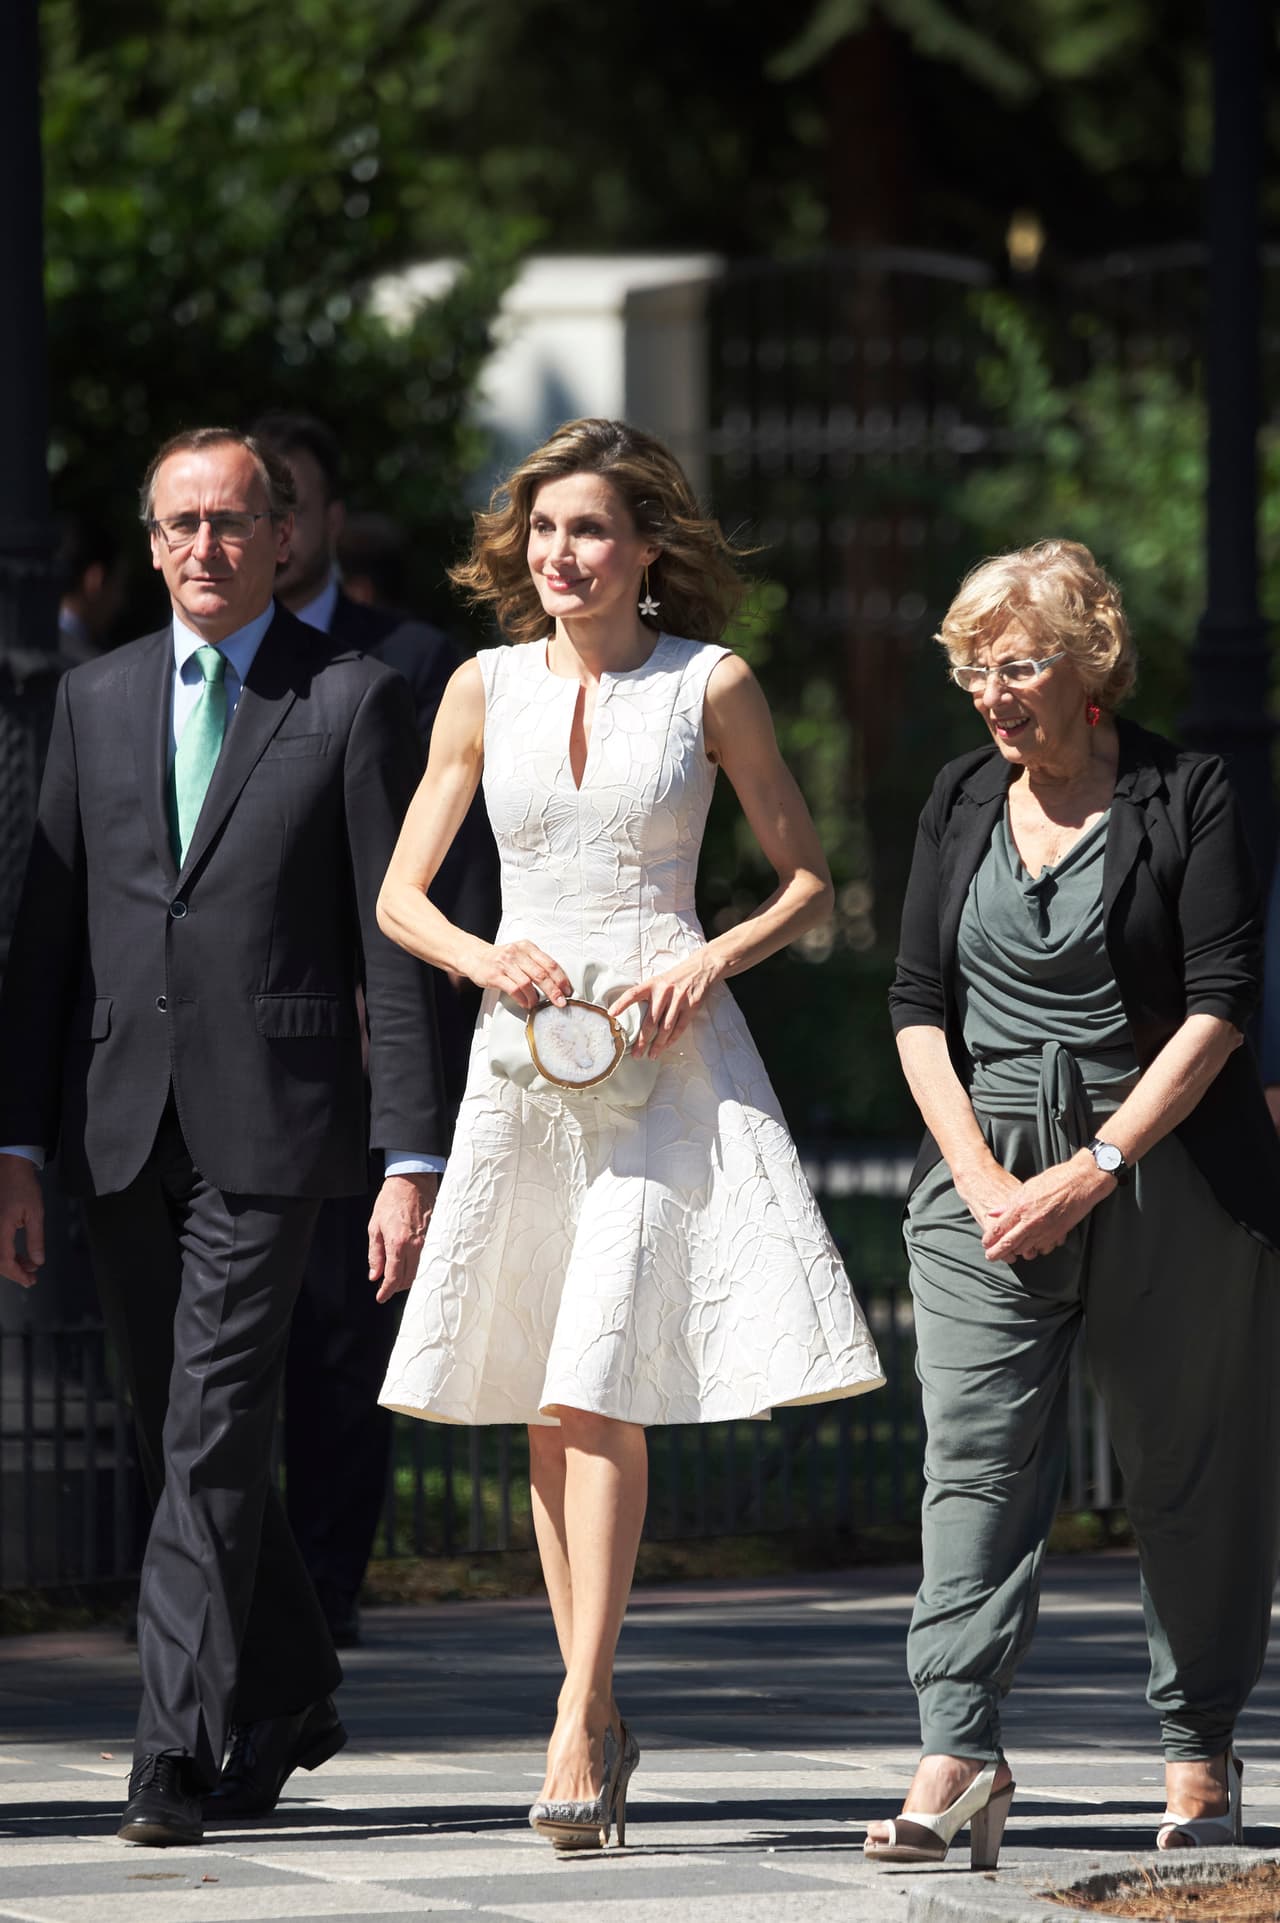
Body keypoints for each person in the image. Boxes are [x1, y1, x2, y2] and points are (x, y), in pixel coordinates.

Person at [374, 416, 885, 1853]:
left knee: (598, 1374)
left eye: (588, 530)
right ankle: (593, 1704)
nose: (560, 554)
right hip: (526, 1065)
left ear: (649, 546)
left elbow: (803, 874)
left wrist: (706, 954)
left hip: (667, 1062)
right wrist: (487, 956)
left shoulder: (710, 686)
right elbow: (402, 898)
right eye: (542, 531)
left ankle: (576, 1711)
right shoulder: (478, 689)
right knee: (552, 1394)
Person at [0, 427, 447, 1847]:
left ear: (281, 541)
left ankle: (171, 1749)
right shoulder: (94, 699)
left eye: (233, 522)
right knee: (172, 1425)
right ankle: (295, 1682)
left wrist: (410, 1153)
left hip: (280, 1126)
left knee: (205, 1434)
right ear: (151, 544)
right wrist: (14, 1142)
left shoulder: (356, 700)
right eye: (181, 523)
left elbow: (398, 947)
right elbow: (47, 944)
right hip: (119, 1124)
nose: (206, 545)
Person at [865, 540, 1280, 1871]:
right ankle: (958, 1747)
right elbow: (917, 1005)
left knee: (1188, 1473)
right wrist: (986, 1179)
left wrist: (1095, 1161)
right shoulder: (957, 798)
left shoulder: (1191, 791)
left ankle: (1198, 1747)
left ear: (1089, 660)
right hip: (982, 1177)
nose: (995, 693)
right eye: (976, 668)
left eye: (1021, 663)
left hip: (1162, 1171)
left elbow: (1221, 1000)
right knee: (974, 1465)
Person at [249, 410, 499, 1645]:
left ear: (327, 521)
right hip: (238, 1053)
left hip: (366, 1040)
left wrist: (422, 1000)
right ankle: (244, 1584)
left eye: (287, 502)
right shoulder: (189, 658)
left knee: (350, 1334)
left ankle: (328, 1583)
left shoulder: (402, 659)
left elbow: (455, 860)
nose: (270, 527)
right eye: (255, 503)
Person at [54, 512, 128, 664]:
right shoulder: (93, 665)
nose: (121, 601)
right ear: (96, 579)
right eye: (118, 586)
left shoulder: (28, 645)